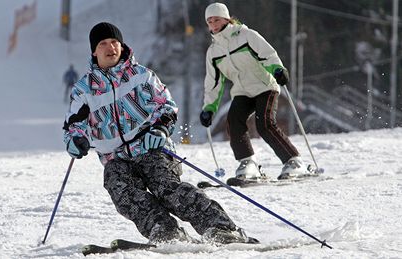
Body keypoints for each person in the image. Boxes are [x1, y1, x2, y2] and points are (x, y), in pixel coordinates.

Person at [63, 22, 258, 245]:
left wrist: (159, 129)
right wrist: (75, 141)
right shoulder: (84, 89)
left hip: (150, 147)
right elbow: (73, 125)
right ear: (94, 51)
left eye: (115, 42)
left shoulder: (141, 76)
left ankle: (221, 227)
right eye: (104, 43)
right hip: (115, 157)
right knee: (121, 190)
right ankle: (165, 231)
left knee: (165, 187)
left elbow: (166, 107)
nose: (111, 48)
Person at [199, 3, 309, 181]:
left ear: (226, 19)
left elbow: (268, 54)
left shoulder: (246, 35)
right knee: (234, 122)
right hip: (242, 91)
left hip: (265, 86)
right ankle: (248, 163)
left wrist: (278, 69)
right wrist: (209, 107)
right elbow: (213, 82)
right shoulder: (213, 52)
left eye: (216, 20)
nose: (213, 25)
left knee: (264, 124)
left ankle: (294, 161)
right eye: (209, 21)